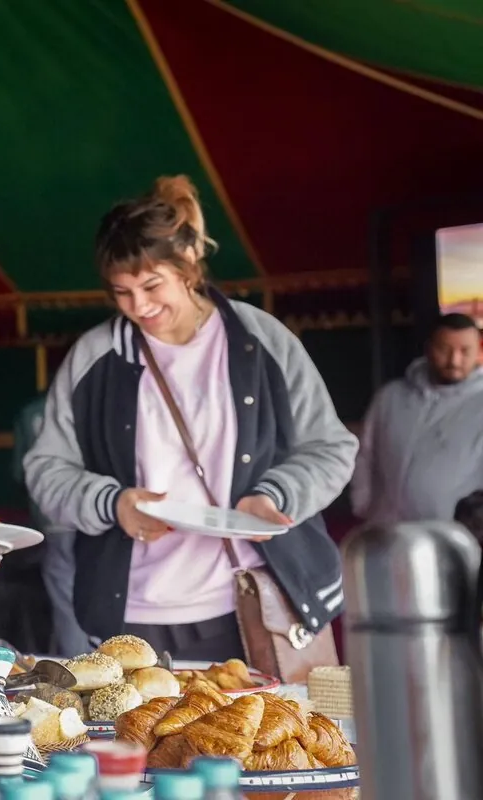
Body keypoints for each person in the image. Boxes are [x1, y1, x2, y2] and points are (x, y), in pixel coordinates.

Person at [23, 176, 357, 661]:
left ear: (188, 265)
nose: (139, 306)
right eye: (122, 292)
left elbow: (332, 448)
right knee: (137, 739)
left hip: (255, 605)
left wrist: (276, 497)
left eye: (152, 284)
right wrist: (112, 504)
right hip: (133, 616)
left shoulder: (260, 340)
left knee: (265, 737)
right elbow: (45, 470)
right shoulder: (95, 357)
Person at [352, 314, 483, 525]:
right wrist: (363, 503)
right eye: (444, 349)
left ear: (479, 352)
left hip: (454, 534)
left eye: (465, 351)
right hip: (388, 529)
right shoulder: (391, 397)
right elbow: (365, 453)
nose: (454, 360)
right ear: (429, 348)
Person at [13, 396, 90, 657]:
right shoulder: (97, 402)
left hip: (54, 522)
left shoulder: (31, 411)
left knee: (67, 605)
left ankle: (78, 669)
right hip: (101, 520)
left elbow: (20, 471)